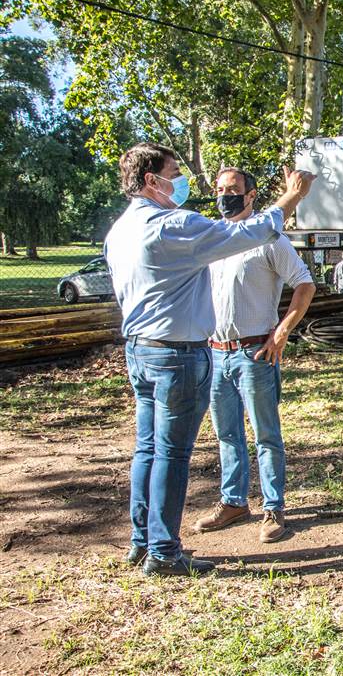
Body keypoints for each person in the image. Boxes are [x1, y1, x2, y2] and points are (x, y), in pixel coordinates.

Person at [105, 142, 314, 576]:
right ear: (152, 180)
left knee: (147, 448)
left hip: (140, 351)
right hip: (178, 355)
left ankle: (141, 540)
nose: (181, 181)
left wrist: (280, 330)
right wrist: (291, 198)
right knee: (170, 453)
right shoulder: (174, 224)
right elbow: (246, 234)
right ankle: (164, 552)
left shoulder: (120, 230)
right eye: (174, 172)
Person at [193, 167, 316, 543]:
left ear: (251, 195)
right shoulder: (215, 238)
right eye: (219, 189)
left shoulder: (269, 239)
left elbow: (304, 286)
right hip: (216, 354)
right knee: (226, 433)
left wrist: (281, 334)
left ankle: (273, 507)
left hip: (255, 353)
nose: (225, 195)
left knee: (266, 434)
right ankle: (233, 502)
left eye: (233, 189)